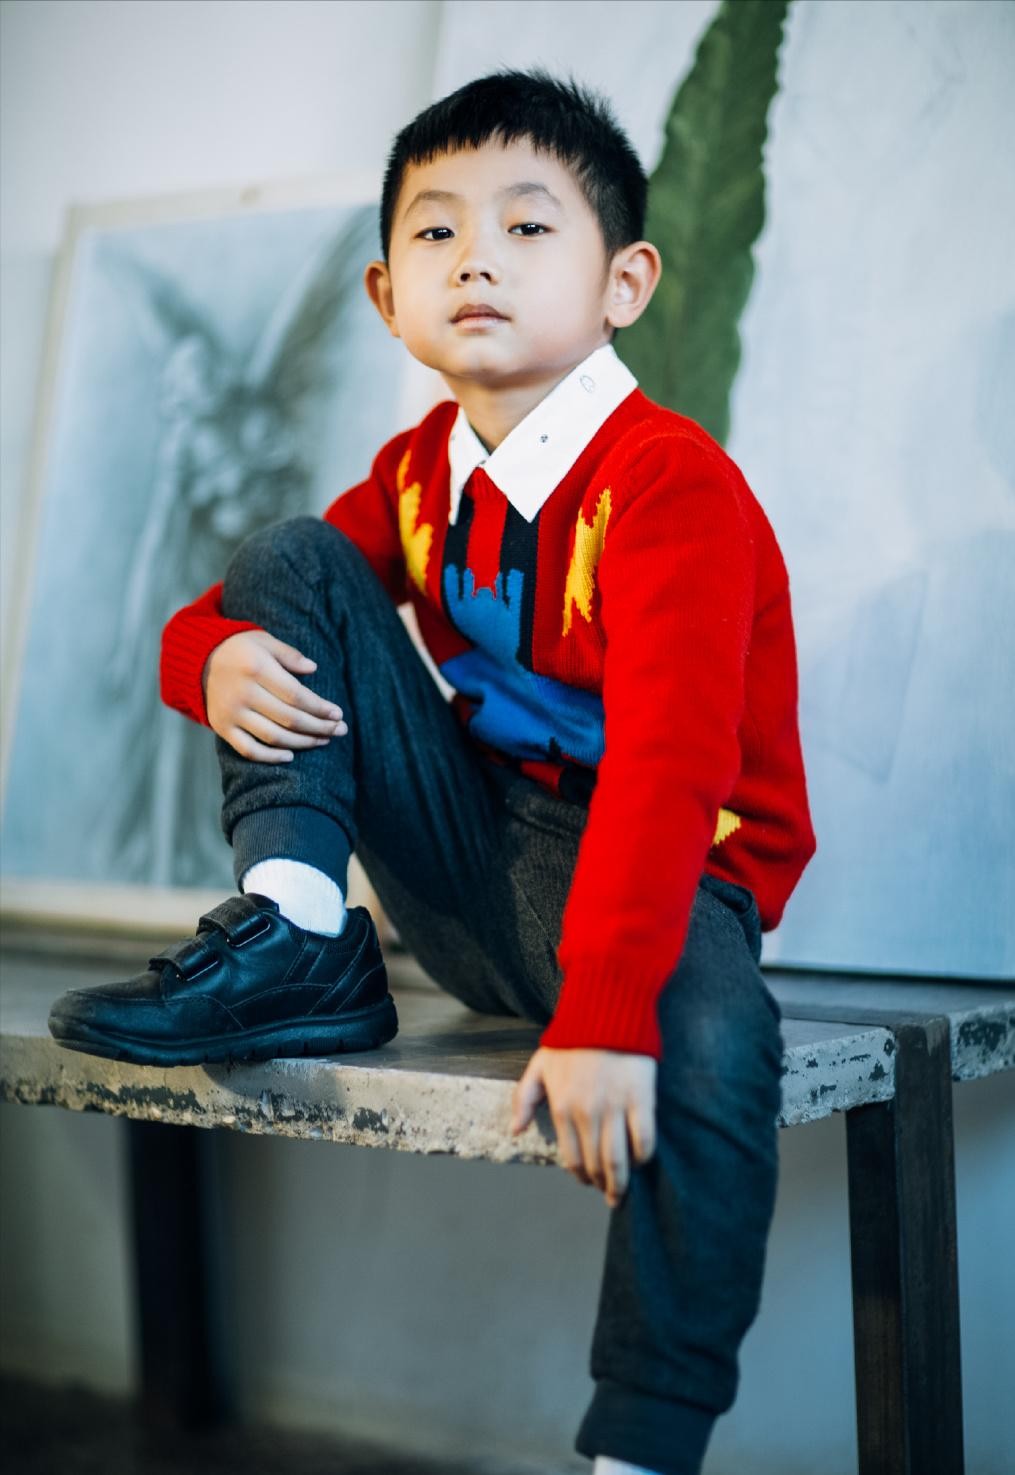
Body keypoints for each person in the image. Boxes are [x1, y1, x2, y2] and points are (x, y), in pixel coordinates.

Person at [48, 68, 816, 1475]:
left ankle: (641, 1447)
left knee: (718, 1050)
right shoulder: (419, 473)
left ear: (625, 282)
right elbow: (257, 602)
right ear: (386, 295)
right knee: (292, 557)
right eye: (437, 232)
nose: (476, 260)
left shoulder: (669, 486)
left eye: (527, 227)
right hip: (478, 879)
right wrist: (201, 661)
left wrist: (607, 1011)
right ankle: (299, 932)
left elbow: (671, 762)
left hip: (659, 890)